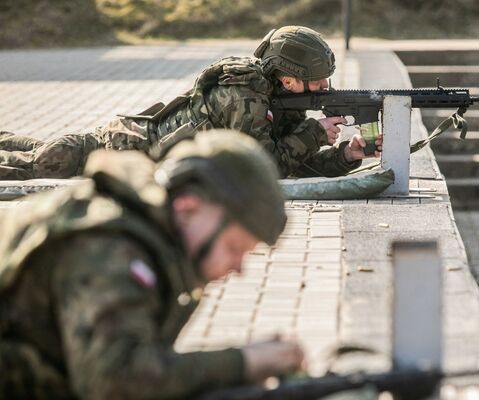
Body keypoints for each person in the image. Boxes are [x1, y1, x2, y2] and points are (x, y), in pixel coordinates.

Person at [0, 130, 305, 399]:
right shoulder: (109, 248)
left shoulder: (141, 235)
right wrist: (246, 361)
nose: (239, 268)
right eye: (234, 247)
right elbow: (113, 381)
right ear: (188, 209)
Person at [0, 25, 382, 181]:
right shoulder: (243, 95)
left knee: (34, 149)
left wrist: (346, 154)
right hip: (121, 149)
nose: (325, 87)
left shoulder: (281, 103)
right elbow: (265, 168)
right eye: (316, 81)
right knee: (43, 163)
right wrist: (316, 132)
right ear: (286, 76)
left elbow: (299, 166)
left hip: (140, 160)